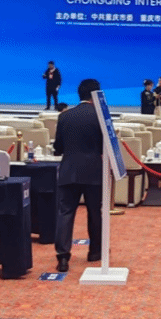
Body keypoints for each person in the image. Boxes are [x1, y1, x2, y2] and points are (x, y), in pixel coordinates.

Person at [52, 79, 105, 272]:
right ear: (95, 95)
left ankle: (63, 257)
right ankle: (95, 252)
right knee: (94, 212)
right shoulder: (100, 116)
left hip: (68, 170)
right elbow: (105, 146)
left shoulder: (65, 116)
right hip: (93, 172)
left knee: (65, 213)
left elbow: (58, 147)